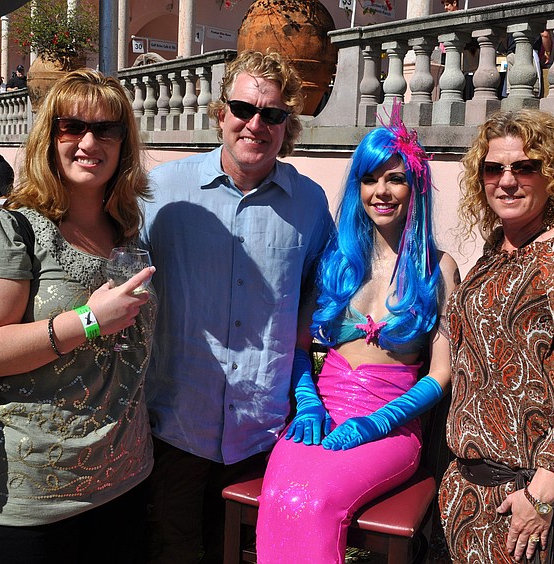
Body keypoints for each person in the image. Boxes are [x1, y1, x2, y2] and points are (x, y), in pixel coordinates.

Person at [0, 68, 155, 564]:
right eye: (71, 126)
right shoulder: (10, 230)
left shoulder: (126, 232)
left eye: (107, 129)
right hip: (22, 502)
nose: (89, 141)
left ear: (124, 143)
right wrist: (91, 318)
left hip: (121, 485)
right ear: (48, 136)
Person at [140, 49, 335, 564]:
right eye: (244, 109)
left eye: (271, 114)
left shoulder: (310, 204)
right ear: (220, 112)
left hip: (262, 433)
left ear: (286, 124)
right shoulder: (161, 192)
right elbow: (102, 259)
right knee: (173, 552)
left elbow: (331, 288)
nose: (256, 124)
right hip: (176, 425)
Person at [256, 108, 459, 563]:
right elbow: (298, 347)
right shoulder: (336, 260)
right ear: (357, 188)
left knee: (318, 502)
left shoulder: (439, 269)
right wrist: (308, 403)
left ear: (416, 188)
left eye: (396, 179)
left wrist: (379, 421)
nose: (381, 192)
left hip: (391, 428)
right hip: (321, 415)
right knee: (283, 495)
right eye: (370, 179)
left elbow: (442, 373)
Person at [438, 109, 554, 564]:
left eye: (525, 167)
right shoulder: (495, 249)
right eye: (494, 168)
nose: (508, 180)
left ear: (552, 175)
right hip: (472, 495)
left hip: (531, 505)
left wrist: (540, 495)